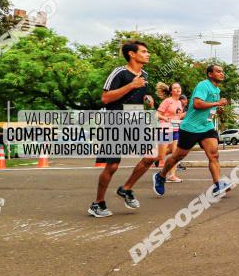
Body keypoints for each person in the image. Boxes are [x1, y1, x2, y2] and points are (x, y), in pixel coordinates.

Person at [87, 40, 157, 218]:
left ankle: (126, 189)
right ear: (132, 54)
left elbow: (136, 96)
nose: (148, 54)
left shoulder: (145, 74)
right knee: (112, 166)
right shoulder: (119, 73)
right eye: (144, 51)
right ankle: (98, 203)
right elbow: (105, 98)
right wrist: (131, 85)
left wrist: (146, 98)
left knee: (151, 156)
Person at [153, 64, 230, 198]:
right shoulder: (203, 85)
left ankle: (218, 185)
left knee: (214, 155)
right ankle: (160, 176)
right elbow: (197, 104)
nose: (221, 73)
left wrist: (217, 109)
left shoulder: (216, 90)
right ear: (210, 74)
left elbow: (209, 109)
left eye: (222, 72)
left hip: (206, 127)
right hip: (190, 127)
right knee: (178, 156)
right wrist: (217, 104)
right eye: (218, 71)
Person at [155, 82, 185, 182]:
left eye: (179, 87)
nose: (178, 89)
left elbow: (178, 116)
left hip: (175, 129)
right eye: (175, 88)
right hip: (165, 129)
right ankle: (146, 160)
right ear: (171, 91)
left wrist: (187, 114)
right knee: (161, 156)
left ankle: (172, 175)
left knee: (175, 154)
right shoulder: (168, 101)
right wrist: (165, 118)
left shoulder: (179, 103)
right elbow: (157, 114)